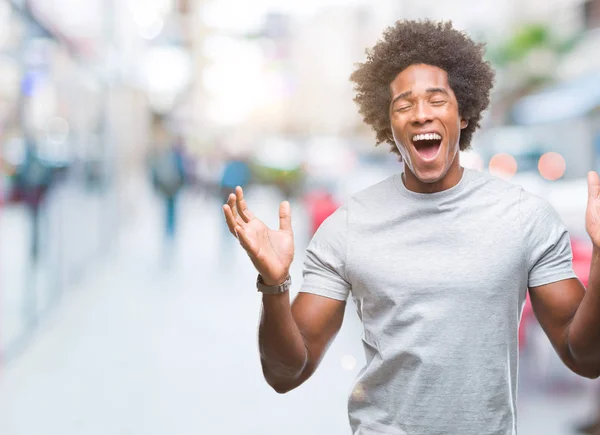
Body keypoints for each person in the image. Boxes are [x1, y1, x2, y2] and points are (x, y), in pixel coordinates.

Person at [222, 20, 600, 434]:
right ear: (388, 123)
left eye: (437, 100)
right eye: (404, 104)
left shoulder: (526, 217)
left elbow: (586, 357)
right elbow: (285, 374)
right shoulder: (348, 227)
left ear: (464, 112)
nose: (421, 114)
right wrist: (274, 284)